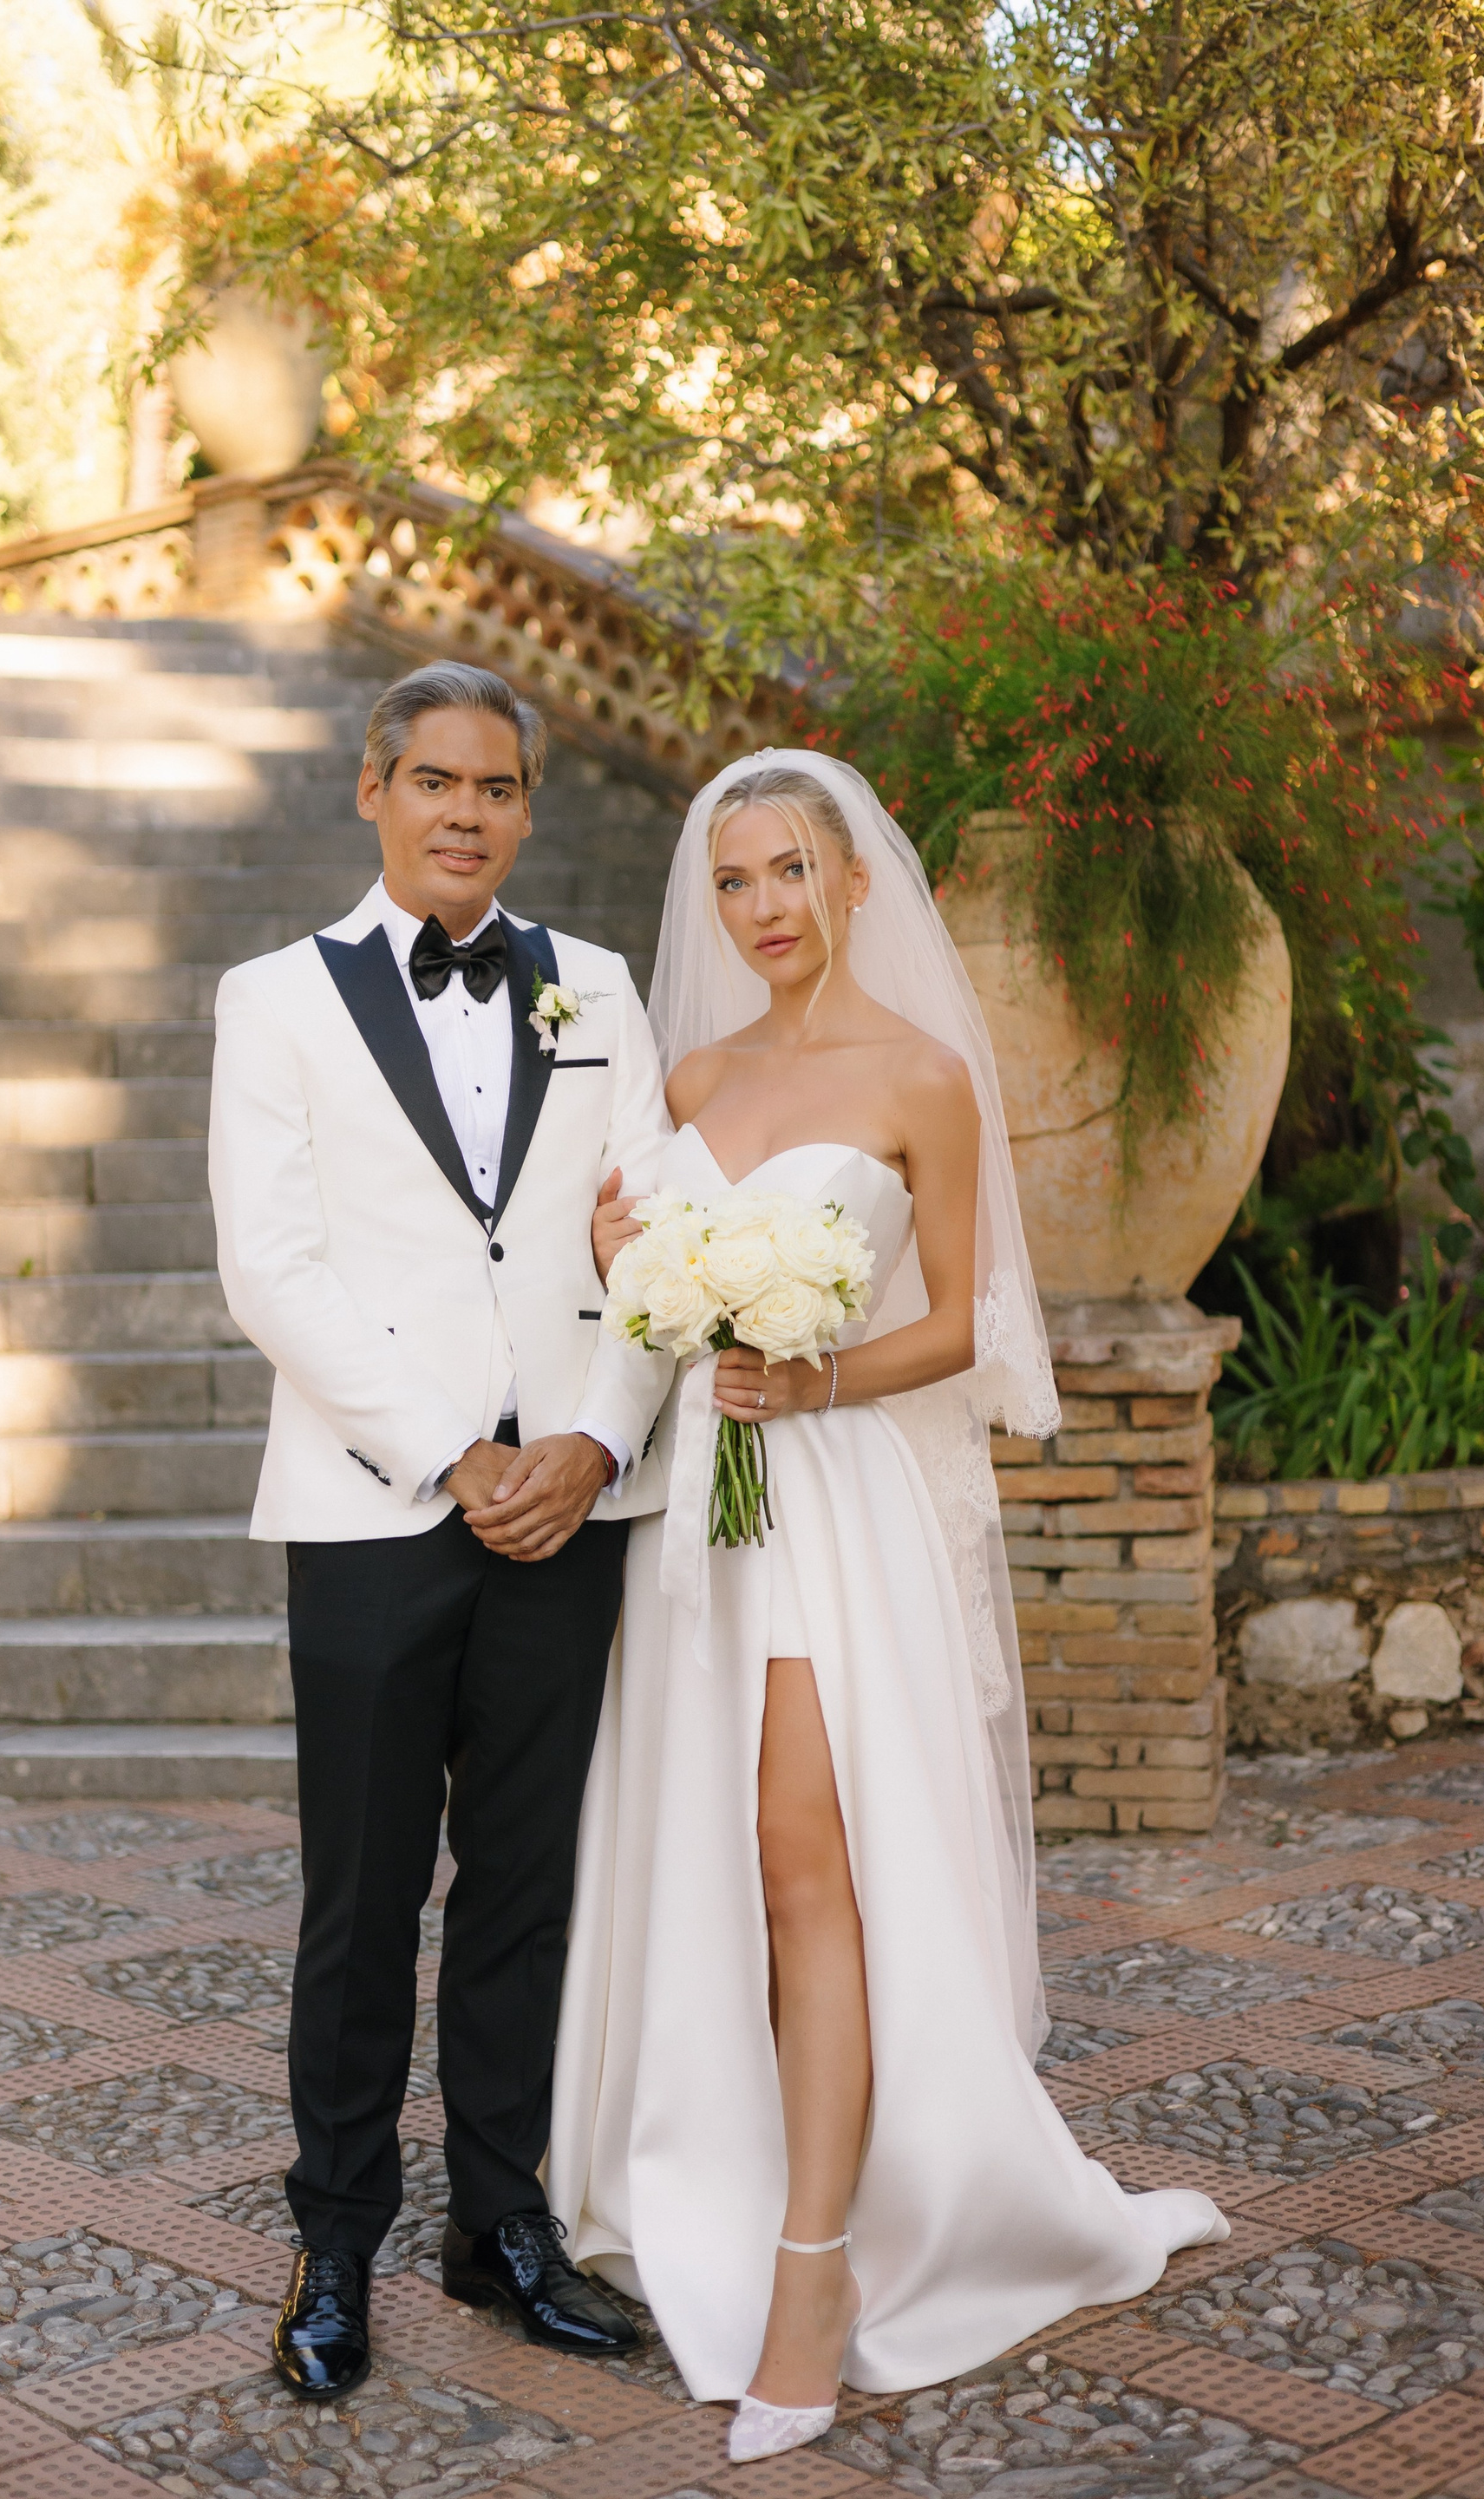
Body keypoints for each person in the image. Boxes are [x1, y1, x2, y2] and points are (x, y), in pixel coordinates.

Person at [548, 751, 1227, 2464]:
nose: (761, 907)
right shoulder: (695, 1075)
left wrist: (823, 1373)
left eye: (790, 870)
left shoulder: (924, 1072)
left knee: (806, 1856)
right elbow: (650, 1320)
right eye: (733, 880)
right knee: (731, 1861)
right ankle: (738, 2165)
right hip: (707, 1519)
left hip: (837, 1503)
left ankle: (814, 2273)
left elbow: (976, 1325)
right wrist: (625, 1265)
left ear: (856, 882)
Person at [208, 661, 674, 2400]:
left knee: (527, 1885)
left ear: (528, 807)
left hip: (570, 1507)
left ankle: (502, 2225)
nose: (465, 811)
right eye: (434, 780)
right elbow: (273, 1268)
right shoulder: (276, 1000)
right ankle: (335, 2240)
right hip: (373, 1507)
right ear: (374, 789)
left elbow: (655, 1239)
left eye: (495, 785)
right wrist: (453, 1456)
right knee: (362, 1894)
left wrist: (595, 1439)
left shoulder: (597, 987)